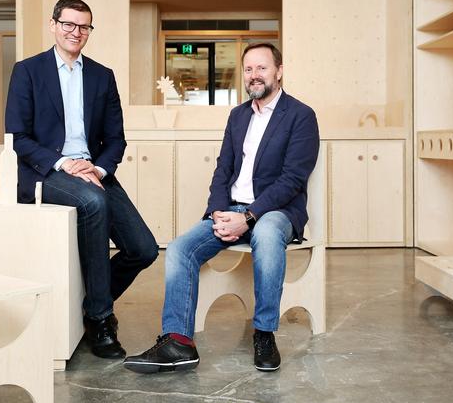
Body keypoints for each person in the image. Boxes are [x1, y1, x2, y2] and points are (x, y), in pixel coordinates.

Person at [124, 42, 319, 373]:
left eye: (262, 67)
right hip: (231, 208)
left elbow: (292, 181)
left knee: (268, 235)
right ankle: (179, 343)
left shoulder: (301, 116)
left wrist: (248, 217)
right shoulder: (238, 115)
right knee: (180, 248)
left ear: (279, 71)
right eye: (248, 69)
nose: (254, 75)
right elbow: (222, 171)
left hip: (276, 211)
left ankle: (265, 332)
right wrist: (217, 212)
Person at [5, 0, 158, 359]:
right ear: (53, 24)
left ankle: (88, 303)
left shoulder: (102, 76)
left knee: (144, 249)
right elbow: (17, 137)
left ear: (90, 30)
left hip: (93, 171)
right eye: (69, 24)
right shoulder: (27, 71)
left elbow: (116, 138)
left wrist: (98, 169)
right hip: (46, 172)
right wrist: (63, 163)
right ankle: (101, 320)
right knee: (93, 202)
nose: (76, 32)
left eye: (84, 26)